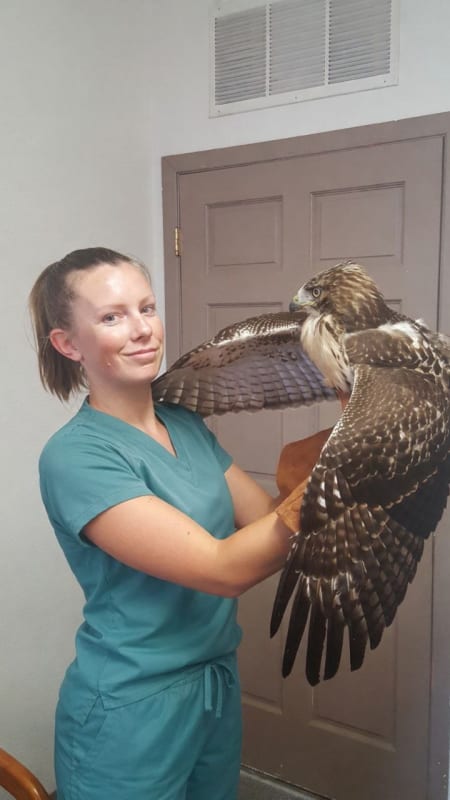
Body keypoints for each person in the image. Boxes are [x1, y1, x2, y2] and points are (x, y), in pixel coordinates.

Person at [29, 247, 333, 800]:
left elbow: (268, 521)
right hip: (130, 708)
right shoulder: (76, 457)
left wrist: (340, 453)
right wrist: (340, 472)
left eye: (147, 307)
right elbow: (223, 568)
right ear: (68, 344)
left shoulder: (184, 424)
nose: (143, 330)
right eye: (112, 316)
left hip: (214, 685)